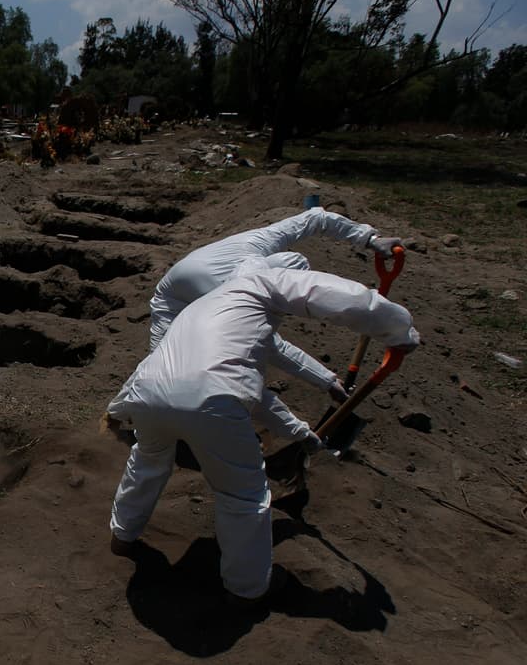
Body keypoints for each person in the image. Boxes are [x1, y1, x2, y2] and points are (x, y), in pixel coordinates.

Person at [105, 266, 420, 606]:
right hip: (211, 402)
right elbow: (342, 297)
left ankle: (122, 535)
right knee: (243, 496)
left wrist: (118, 408)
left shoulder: (210, 308)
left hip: (149, 394)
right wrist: (398, 330)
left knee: (148, 462)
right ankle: (247, 587)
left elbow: (186, 375)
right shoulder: (264, 284)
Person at [148, 207, 405, 403]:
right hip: (171, 303)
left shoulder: (256, 244)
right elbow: (269, 345)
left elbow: (316, 218)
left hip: (194, 279)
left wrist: (369, 238)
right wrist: (325, 380)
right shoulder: (232, 298)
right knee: (163, 372)